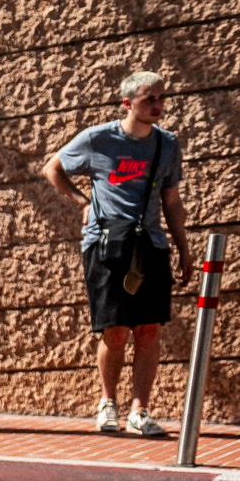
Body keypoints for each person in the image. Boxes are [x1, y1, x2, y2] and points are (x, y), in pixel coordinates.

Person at [42, 71, 188, 437]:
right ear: (127, 103)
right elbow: (53, 168)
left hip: (151, 244)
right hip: (107, 244)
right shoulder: (99, 138)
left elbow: (172, 201)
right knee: (116, 330)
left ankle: (141, 409)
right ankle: (108, 403)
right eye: (148, 99)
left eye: (160, 98)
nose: (157, 105)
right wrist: (82, 202)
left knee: (149, 328)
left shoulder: (167, 144)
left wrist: (184, 249)